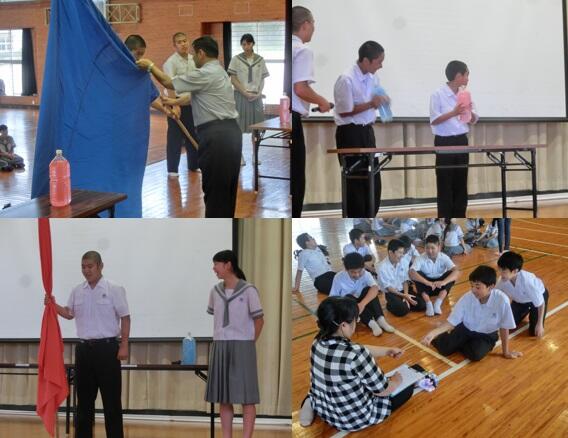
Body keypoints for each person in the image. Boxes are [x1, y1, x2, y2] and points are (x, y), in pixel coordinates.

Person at [136, 36, 242, 217]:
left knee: (215, 191)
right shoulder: (219, 71)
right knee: (226, 190)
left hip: (217, 137)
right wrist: (174, 101)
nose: (193, 57)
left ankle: (216, 229)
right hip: (231, 134)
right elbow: (196, 95)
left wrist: (151, 66)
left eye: (194, 53)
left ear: (201, 53)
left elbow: (169, 82)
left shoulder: (204, 73)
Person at [44, 251, 130, 438]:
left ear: (100, 266)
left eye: (90, 266)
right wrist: (52, 305)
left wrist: (124, 345)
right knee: (83, 404)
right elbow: (69, 313)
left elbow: (125, 317)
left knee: (111, 403)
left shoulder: (114, 288)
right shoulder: (77, 290)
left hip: (107, 350)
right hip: (84, 351)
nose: (86, 270)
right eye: (83, 267)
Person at [298, 296, 413, 431]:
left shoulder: (317, 341)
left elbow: (355, 350)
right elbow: (383, 390)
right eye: (355, 320)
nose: (356, 323)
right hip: (353, 420)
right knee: (406, 389)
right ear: (343, 325)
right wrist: (396, 381)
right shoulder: (357, 354)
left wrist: (387, 350)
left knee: (317, 387)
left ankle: (310, 402)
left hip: (326, 409)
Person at [205, 250, 264, 438]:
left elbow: (259, 320)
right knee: (224, 397)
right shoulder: (215, 291)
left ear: (228, 264)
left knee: (247, 398)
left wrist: (249, 342)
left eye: (216, 264)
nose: (214, 268)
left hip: (243, 346)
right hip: (220, 346)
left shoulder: (249, 290)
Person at [334, 41, 389, 217]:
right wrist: (371, 104)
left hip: (367, 132)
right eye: (378, 62)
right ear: (366, 60)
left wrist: (382, 101)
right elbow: (344, 111)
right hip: (350, 133)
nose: (381, 66)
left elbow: (375, 100)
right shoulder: (346, 79)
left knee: (373, 179)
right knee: (355, 182)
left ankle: (371, 216)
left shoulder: (374, 78)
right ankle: (356, 218)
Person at [422, 265, 522, 361]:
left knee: (475, 355)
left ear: (491, 286)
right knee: (444, 349)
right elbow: (452, 321)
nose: (473, 290)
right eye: (472, 286)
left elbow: (504, 327)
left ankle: (458, 342)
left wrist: (506, 352)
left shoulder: (502, 300)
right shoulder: (467, 297)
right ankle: (450, 337)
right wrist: (433, 333)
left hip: (486, 334)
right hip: (465, 328)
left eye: (478, 287)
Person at [292, 5, 332, 217]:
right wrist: (322, 101)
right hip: (293, 118)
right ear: (305, 24)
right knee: (297, 178)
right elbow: (300, 88)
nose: (315, 28)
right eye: (314, 23)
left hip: (284, 115)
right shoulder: (303, 50)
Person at [429, 60, 479, 217]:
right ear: (458, 76)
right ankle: (445, 217)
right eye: (466, 75)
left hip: (462, 140)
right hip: (444, 142)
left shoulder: (465, 94)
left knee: (461, 181)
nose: (468, 78)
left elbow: (474, 119)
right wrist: (454, 112)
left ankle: (459, 216)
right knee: (445, 181)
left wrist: (469, 113)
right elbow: (434, 120)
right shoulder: (438, 94)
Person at [162, 32, 200, 176]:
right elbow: (170, 85)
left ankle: (194, 165)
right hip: (175, 101)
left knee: (193, 134)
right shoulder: (170, 62)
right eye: (179, 42)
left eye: (185, 41)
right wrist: (175, 105)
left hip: (190, 101)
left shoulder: (193, 59)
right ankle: (172, 169)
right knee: (175, 137)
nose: (183, 44)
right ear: (174, 45)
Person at [329, 252, 394, 336]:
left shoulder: (366, 274)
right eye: (353, 272)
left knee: (369, 289)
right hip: (350, 306)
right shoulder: (338, 277)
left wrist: (362, 304)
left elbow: (375, 288)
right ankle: (372, 324)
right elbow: (332, 298)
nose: (357, 275)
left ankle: (381, 320)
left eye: (359, 271)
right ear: (346, 269)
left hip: (363, 303)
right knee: (348, 297)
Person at [496, 251, 549, 337]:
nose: (501, 273)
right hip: (520, 301)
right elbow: (494, 295)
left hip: (537, 300)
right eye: (500, 269)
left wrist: (539, 324)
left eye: (504, 270)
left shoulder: (527, 281)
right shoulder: (502, 280)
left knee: (534, 332)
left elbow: (540, 303)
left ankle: (530, 311)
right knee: (509, 324)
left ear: (515, 271)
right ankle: (524, 310)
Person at [124, 35, 177, 120]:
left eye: (142, 54)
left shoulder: (141, 72)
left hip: (135, 118)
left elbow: (150, 97)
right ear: (127, 50)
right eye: (138, 53)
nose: (140, 58)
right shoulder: (113, 69)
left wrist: (165, 111)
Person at [228, 33, 269, 135]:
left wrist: (259, 93)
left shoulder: (260, 60)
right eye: (243, 44)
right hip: (240, 95)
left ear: (253, 44)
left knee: (257, 127)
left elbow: (262, 79)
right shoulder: (236, 59)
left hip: (255, 96)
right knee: (239, 125)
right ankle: (238, 146)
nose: (246, 47)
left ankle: (255, 146)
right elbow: (233, 79)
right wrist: (245, 93)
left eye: (248, 44)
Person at [409, 234, 460, 316]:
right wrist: (427, 282)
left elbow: (456, 271)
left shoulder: (444, 257)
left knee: (451, 274)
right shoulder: (420, 258)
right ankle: (428, 303)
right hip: (426, 287)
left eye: (433, 248)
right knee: (417, 274)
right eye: (427, 248)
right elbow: (411, 273)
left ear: (439, 247)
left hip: (439, 286)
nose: (430, 251)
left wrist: (443, 282)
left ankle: (438, 303)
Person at [378, 239, 426, 317]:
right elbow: (388, 288)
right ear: (390, 252)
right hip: (392, 293)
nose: (402, 255)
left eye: (402, 253)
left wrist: (406, 294)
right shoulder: (382, 267)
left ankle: (405, 304)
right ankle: (390, 305)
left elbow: (405, 280)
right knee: (403, 310)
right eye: (400, 253)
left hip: (404, 290)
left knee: (422, 304)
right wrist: (404, 296)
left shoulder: (403, 261)